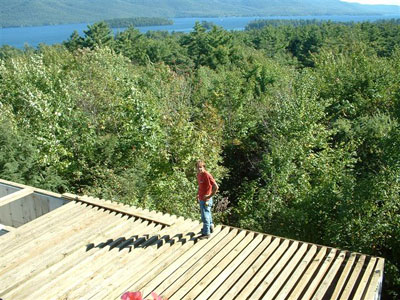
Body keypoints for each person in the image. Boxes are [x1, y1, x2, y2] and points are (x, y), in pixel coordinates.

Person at [196, 160, 219, 239]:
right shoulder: (199, 175)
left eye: (201, 167)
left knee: (205, 216)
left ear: (204, 167)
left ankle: (206, 233)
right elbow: (200, 186)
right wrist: (197, 195)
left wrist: (209, 196)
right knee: (207, 213)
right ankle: (210, 227)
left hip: (206, 199)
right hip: (201, 197)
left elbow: (216, 187)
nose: (199, 169)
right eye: (198, 167)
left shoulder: (207, 175)